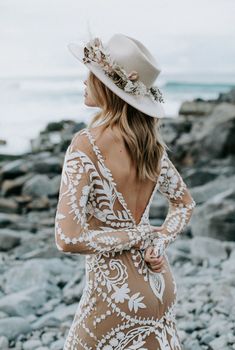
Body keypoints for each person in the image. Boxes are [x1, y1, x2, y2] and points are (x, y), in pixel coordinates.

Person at [54, 33, 196, 350]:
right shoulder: (150, 147)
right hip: (160, 283)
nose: (85, 80)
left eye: (93, 74)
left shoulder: (85, 145)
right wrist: (157, 240)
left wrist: (140, 235)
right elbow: (184, 204)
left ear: (109, 87)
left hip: (116, 292)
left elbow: (68, 238)